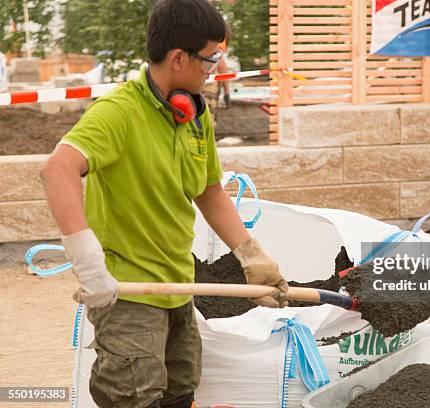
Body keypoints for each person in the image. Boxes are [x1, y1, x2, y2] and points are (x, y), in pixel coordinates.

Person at [40, 1, 288, 407]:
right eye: (210, 60)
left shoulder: (192, 115)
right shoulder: (118, 113)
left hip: (178, 286)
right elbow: (57, 170)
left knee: (180, 394)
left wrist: (251, 257)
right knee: (134, 398)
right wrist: (88, 265)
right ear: (178, 58)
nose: (213, 71)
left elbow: (208, 190)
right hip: (128, 295)